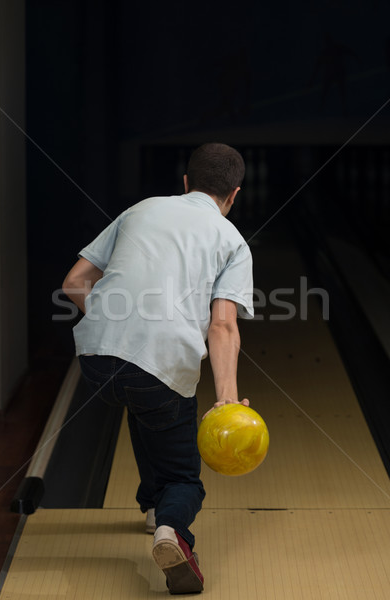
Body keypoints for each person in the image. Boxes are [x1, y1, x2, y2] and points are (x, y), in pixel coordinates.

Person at [62, 142, 254, 594]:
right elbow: (223, 325)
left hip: (96, 361)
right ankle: (173, 531)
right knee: (184, 474)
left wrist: (113, 326)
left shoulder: (141, 209)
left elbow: (73, 283)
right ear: (235, 195)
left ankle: (151, 506)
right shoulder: (232, 240)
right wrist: (226, 400)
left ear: (185, 183)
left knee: (142, 400)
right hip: (159, 366)